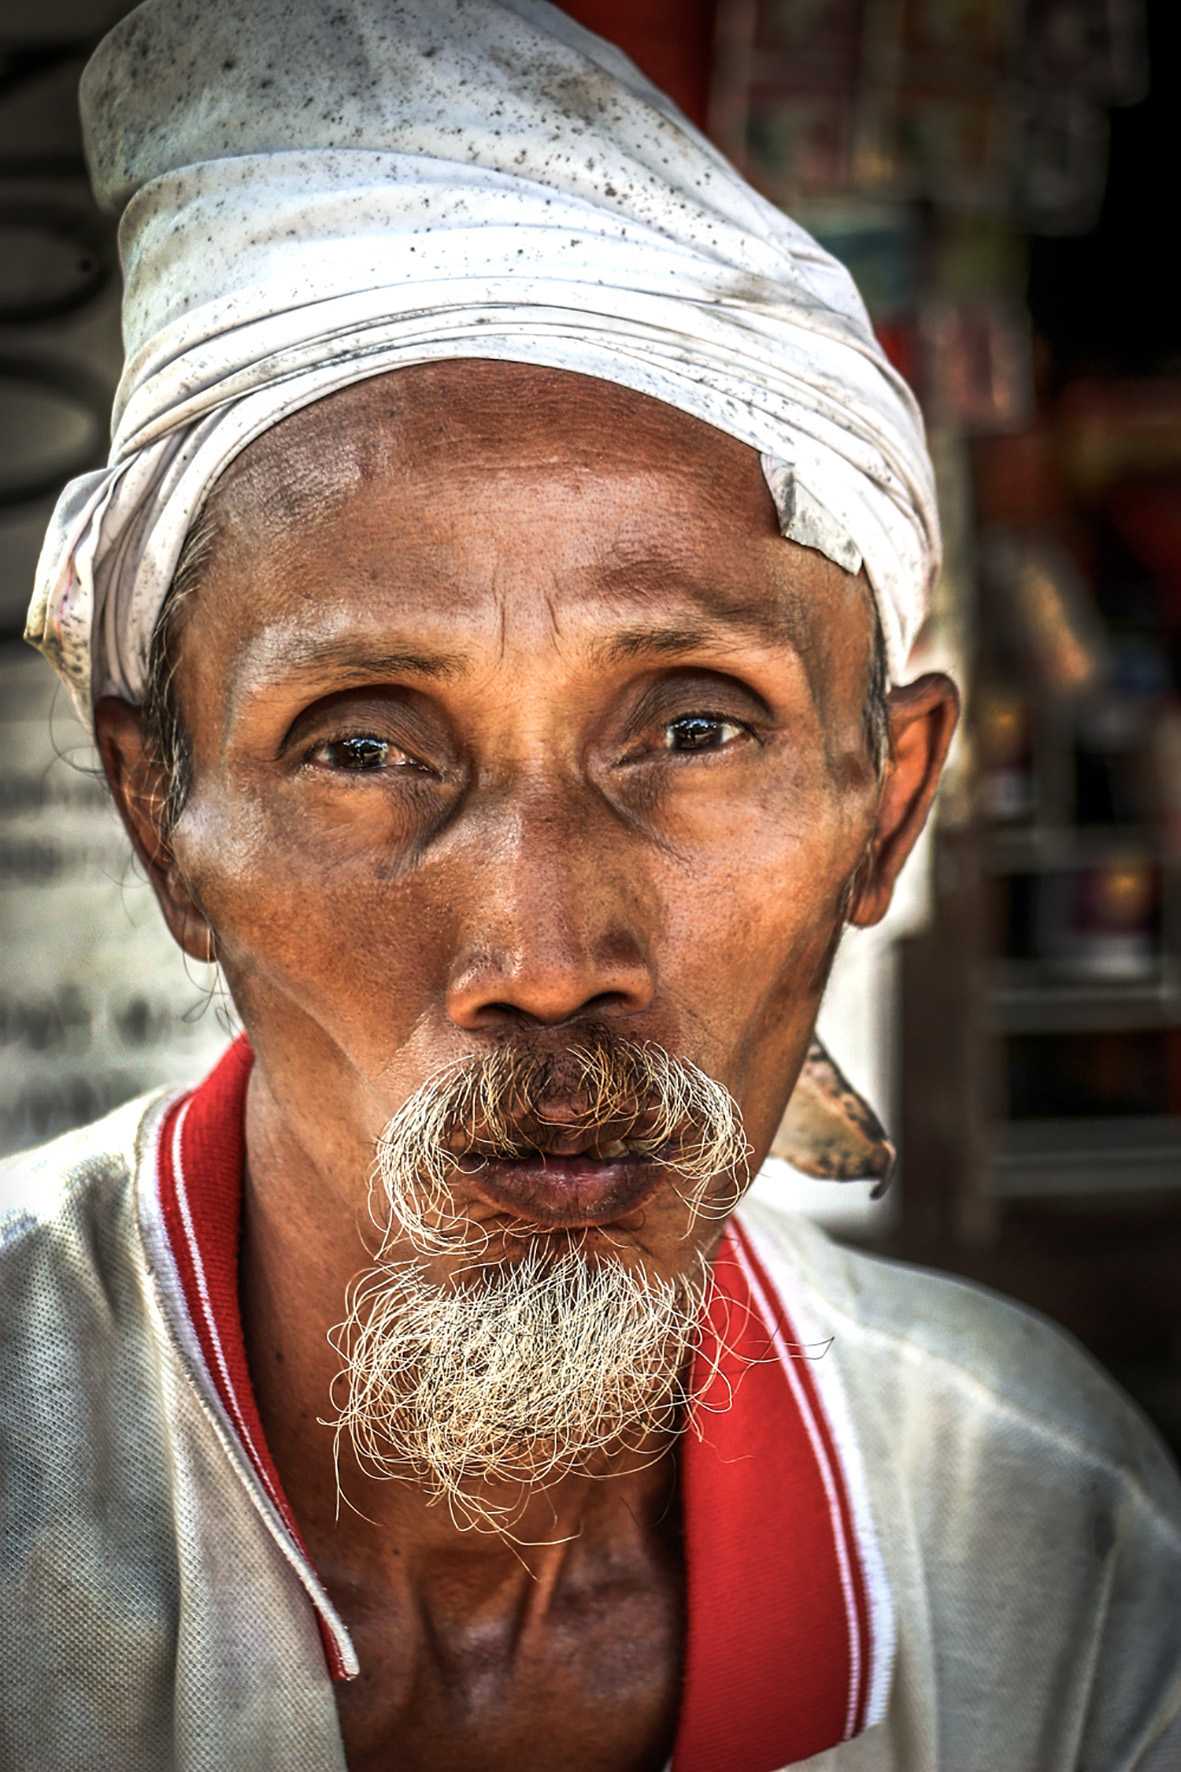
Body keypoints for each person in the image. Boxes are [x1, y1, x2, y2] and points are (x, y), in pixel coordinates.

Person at [4, 2, 1179, 1768]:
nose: (545, 960)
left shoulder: (1038, 1531)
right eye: (364, 744)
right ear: (163, 813)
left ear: (887, 802)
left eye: (695, 729)